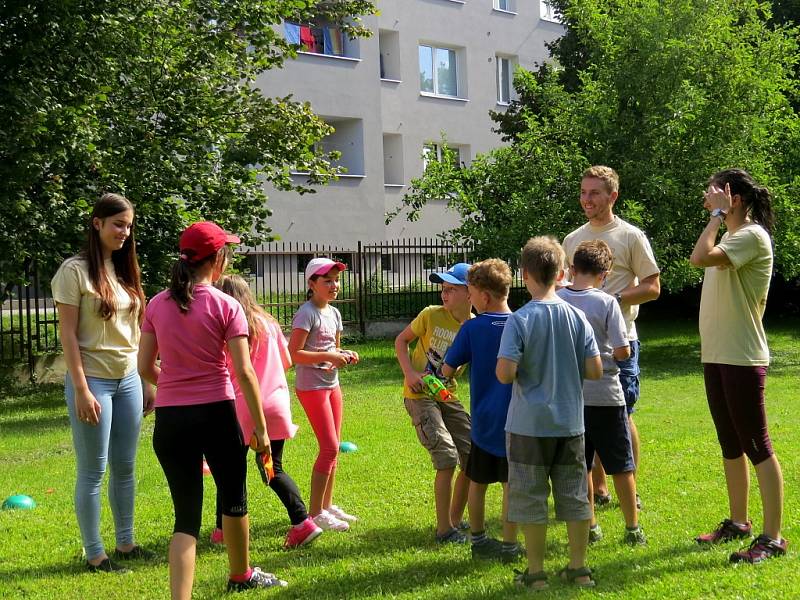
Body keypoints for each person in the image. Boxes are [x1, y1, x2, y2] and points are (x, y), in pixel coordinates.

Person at [138, 221, 286, 598]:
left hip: (172, 421)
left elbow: (144, 367)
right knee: (234, 498)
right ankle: (241, 575)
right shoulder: (227, 305)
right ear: (218, 259)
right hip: (217, 414)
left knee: (185, 519)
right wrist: (263, 432)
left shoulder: (156, 304)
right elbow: (245, 372)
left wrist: (172, 385)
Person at [52, 193, 154, 573]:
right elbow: (68, 335)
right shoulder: (73, 271)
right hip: (93, 380)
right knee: (93, 471)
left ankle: (126, 543)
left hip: (128, 378)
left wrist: (145, 380)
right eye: (118, 224)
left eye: (128, 226)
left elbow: (137, 331)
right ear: (97, 223)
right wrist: (80, 388)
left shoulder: (125, 270)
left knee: (125, 466)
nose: (124, 232)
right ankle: (95, 553)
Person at [689, 168, 787, 563]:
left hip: (742, 357)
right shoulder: (732, 236)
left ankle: (773, 538)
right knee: (731, 443)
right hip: (717, 354)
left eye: (715, 192)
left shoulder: (751, 235)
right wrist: (717, 219)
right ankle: (739, 522)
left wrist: (716, 216)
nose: (707, 197)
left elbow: (699, 258)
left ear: (736, 198)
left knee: (756, 446)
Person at [496, 236, 602, 591]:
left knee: (529, 497)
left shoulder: (520, 319)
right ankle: (579, 568)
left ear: (524, 274)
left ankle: (536, 572)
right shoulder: (578, 317)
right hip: (571, 424)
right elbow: (595, 370)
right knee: (574, 495)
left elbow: (505, 373)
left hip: (528, 426)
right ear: (560, 273)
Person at [563, 165, 660, 507]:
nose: (587, 199)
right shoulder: (572, 239)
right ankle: (599, 488)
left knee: (621, 415)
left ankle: (628, 488)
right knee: (588, 415)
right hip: (578, 344)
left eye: (594, 193)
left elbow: (652, 286)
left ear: (612, 196)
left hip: (621, 341)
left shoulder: (630, 236)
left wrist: (611, 300)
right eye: (583, 192)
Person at [210, 275, 322, 549]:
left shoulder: (230, 325)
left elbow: (222, 367)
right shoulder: (269, 324)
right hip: (275, 406)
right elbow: (286, 361)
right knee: (273, 468)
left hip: (243, 408)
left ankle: (225, 528)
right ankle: (302, 522)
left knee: (229, 470)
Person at [558, 240, 645, 546]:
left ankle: (591, 526)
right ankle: (633, 528)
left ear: (572, 268)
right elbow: (622, 350)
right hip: (606, 393)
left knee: (580, 464)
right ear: (605, 274)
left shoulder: (557, 299)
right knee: (621, 463)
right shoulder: (607, 302)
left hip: (570, 396)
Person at [440, 259, 522, 562]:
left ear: (484, 296)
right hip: (517, 420)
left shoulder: (472, 328)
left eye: (471, 293)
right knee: (511, 484)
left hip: (484, 422)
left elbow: (447, 369)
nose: (471, 299)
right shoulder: (523, 323)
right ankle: (511, 545)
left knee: (478, 481)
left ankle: (478, 539)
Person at [394, 262, 473, 544]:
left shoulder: (473, 325)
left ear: (470, 293)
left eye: (452, 289)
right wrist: (410, 373)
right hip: (419, 397)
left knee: (472, 456)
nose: (444, 294)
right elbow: (401, 341)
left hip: (446, 396)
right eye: (443, 288)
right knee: (447, 457)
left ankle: (453, 519)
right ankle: (444, 531)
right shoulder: (430, 315)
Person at [288, 258, 360, 532]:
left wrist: (343, 356)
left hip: (332, 383)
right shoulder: (307, 313)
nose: (334, 285)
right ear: (311, 284)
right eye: (326, 281)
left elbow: (334, 350)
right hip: (312, 387)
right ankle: (316, 513)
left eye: (336, 280)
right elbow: (294, 354)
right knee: (329, 447)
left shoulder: (334, 313)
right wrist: (329, 355)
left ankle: (327, 507)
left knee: (334, 448)